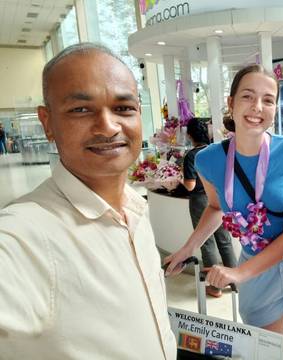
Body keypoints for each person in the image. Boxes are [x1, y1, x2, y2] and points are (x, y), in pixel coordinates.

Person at [0, 43, 176, 359]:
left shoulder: (135, 208)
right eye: (81, 110)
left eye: (123, 108)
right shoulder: (24, 236)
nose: (108, 127)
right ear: (47, 122)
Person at [165, 64, 283, 360]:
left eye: (268, 99)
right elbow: (215, 207)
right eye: (248, 96)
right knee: (266, 356)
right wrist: (188, 248)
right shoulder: (208, 160)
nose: (257, 107)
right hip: (257, 273)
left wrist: (238, 272)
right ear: (231, 103)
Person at [182, 117, 237, 298]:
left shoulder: (192, 156)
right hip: (220, 198)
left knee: (206, 242)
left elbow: (190, 185)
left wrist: (179, 180)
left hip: (200, 200)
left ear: (190, 135)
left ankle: (215, 287)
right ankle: (235, 281)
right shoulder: (216, 151)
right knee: (224, 239)